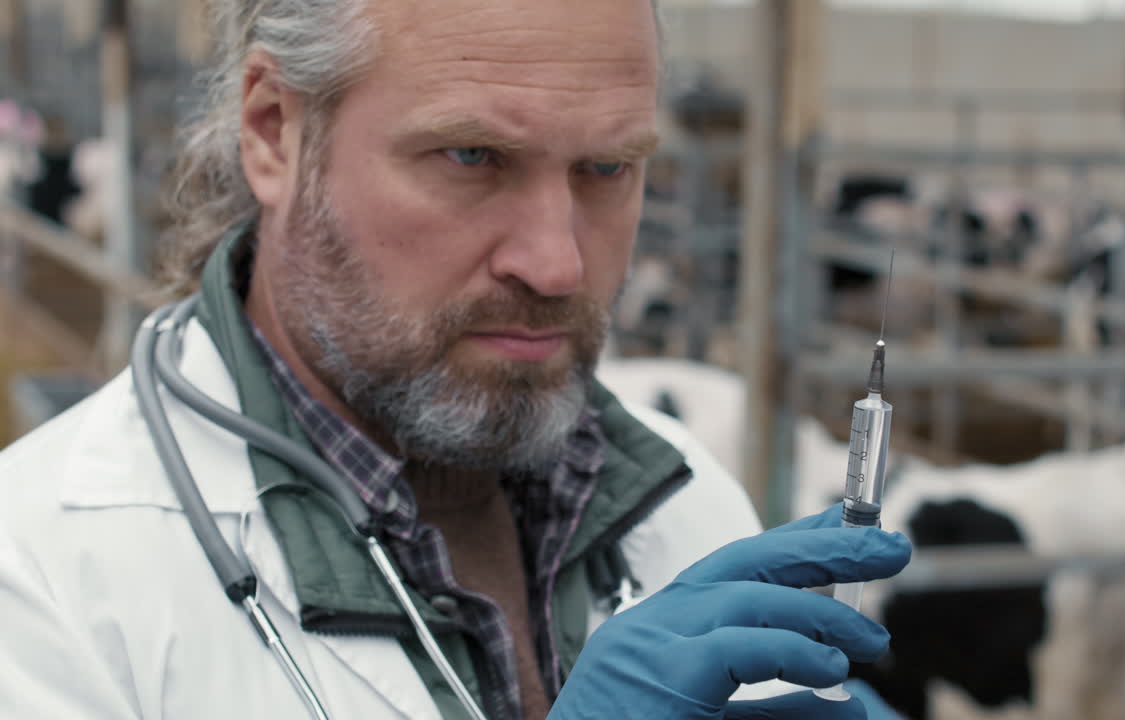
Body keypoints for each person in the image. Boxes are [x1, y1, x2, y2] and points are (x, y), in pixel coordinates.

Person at [0, 1, 911, 718]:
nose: (558, 264)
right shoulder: (43, 585)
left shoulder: (688, 502)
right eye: (472, 156)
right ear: (275, 131)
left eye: (607, 170)